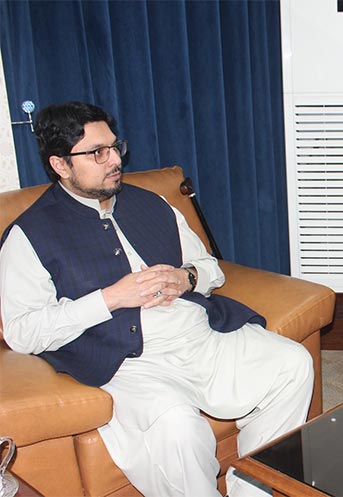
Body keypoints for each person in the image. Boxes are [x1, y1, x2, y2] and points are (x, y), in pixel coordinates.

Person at [0, 102, 314, 497]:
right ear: (60, 165)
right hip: (128, 363)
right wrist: (110, 298)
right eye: (98, 153)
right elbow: (23, 332)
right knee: (178, 428)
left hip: (198, 336)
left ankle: (252, 490)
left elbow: (209, 266)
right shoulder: (28, 236)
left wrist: (187, 278)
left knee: (292, 364)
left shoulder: (152, 203)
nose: (114, 160)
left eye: (115, 147)